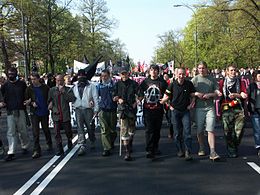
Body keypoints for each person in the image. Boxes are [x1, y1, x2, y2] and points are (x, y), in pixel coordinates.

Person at [160, 68, 196, 161]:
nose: (181, 76)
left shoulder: (189, 84)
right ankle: (180, 149)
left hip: (185, 111)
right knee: (177, 133)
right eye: (179, 74)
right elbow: (166, 97)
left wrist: (191, 104)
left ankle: (188, 151)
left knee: (187, 132)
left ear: (185, 75)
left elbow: (193, 96)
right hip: (175, 111)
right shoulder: (172, 85)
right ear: (176, 75)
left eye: (183, 74)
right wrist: (168, 104)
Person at [191, 61, 222, 161]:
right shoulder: (195, 79)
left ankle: (212, 151)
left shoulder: (212, 79)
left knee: (210, 129)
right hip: (199, 108)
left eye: (203, 68)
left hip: (210, 108)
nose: (201, 70)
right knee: (199, 130)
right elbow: (189, 91)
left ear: (206, 68)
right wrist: (196, 94)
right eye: (199, 68)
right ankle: (201, 147)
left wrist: (212, 94)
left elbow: (216, 91)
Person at [0, 67, 30, 161]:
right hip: (10, 111)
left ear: (16, 74)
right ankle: (11, 151)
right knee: (11, 132)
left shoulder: (22, 84)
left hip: (21, 110)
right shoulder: (5, 85)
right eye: (9, 74)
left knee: (23, 130)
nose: (11, 75)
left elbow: (27, 94)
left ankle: (25, 146)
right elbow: (2, 96)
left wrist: (27, 100)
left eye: (12, 73)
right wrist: (2, 102)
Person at [139, 65, 168, 159]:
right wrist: (138, 99)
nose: (154, 72)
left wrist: (164, 100)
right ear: (149, 71)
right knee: (149, 130)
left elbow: (167, 94)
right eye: (152, 70)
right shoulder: (145, 82)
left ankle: (155, 147)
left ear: (158, 72)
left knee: (157, 130)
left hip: (158, 109)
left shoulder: (162, 82)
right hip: (148, 110)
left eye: (155, 70)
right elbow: (139, 92)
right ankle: (149, 149)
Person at [219, 64, 247, 158]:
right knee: (228, 131)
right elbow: (219, 95)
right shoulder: (222, 82)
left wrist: (237, 95)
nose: (233, 72)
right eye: (231, 70)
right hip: (226, 108)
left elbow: (244, 93)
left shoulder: (240, 82)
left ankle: (234, 145)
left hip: (238, 108)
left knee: (239, 131)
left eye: (234, 70)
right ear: (227, 72)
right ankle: (231, 149)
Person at [113, 67, 139, 161]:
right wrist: (117, 98)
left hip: (132, 109)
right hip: (122, 110)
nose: (124, 75)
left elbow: (140, 95)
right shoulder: (117, 84)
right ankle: (127, 152)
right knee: (124, 130)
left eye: (125, 73)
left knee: (132, 130)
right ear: (120, 75)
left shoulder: (134, 84)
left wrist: (136, 101)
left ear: (128, 74)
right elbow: (113, 96)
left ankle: (130, 143)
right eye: (122, 74)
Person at [24, 73, 53, 159]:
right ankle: (36, 150)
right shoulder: (29, 89)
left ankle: (49, 143)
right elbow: (26, 100)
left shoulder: (45, 87)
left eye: (34, 79)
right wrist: (31, 103)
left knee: (46, 129)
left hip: (44, 111)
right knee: (35, 132)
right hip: (35, 112)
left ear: (38, 79)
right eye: (31, 79)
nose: (33, 81)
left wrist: (50, 104)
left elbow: (50, 97)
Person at [72, 69, 99, 156]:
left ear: (85, 76)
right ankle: (82, 145)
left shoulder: (91, 86)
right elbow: (71, 97)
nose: (81, 77)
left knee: (90, 127)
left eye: (83, 76)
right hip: (78, 109)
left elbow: (95, 98)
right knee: (80, 127)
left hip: (88, 109)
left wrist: (96, 109)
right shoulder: (74, 86)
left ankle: (92, 140)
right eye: (79, 76)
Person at [48, 74, 76, 156]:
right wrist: (52, 107)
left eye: (61, 80)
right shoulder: (52, 90)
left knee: (68, 131)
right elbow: (49, 101)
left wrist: (64, 92)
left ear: (63, 81)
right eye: (57, 80)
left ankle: (69, 139)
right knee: (57, 133)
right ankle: (59, 148)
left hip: (65, 114)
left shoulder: (68, 89)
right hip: (56, 115)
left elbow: (72, 99)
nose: (59, 82)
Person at [97, 69, 117, 156]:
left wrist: (117, 97)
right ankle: (106, 148)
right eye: (102, 76)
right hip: (103, 110)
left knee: (112, 131)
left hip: (112, 110)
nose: (104, 78)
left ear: (109, 76)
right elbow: (95, 97)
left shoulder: (114, 85)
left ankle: (111, 142)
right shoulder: (99, 86)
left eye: (105, 76)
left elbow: (118, 94)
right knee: (104, 130)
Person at [247, 70, 260, 158]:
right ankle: (259, 147)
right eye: (259, 76)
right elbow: (248, 97)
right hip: (255, 110)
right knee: (257, 130)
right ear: (255, 77)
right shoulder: (251, 86)